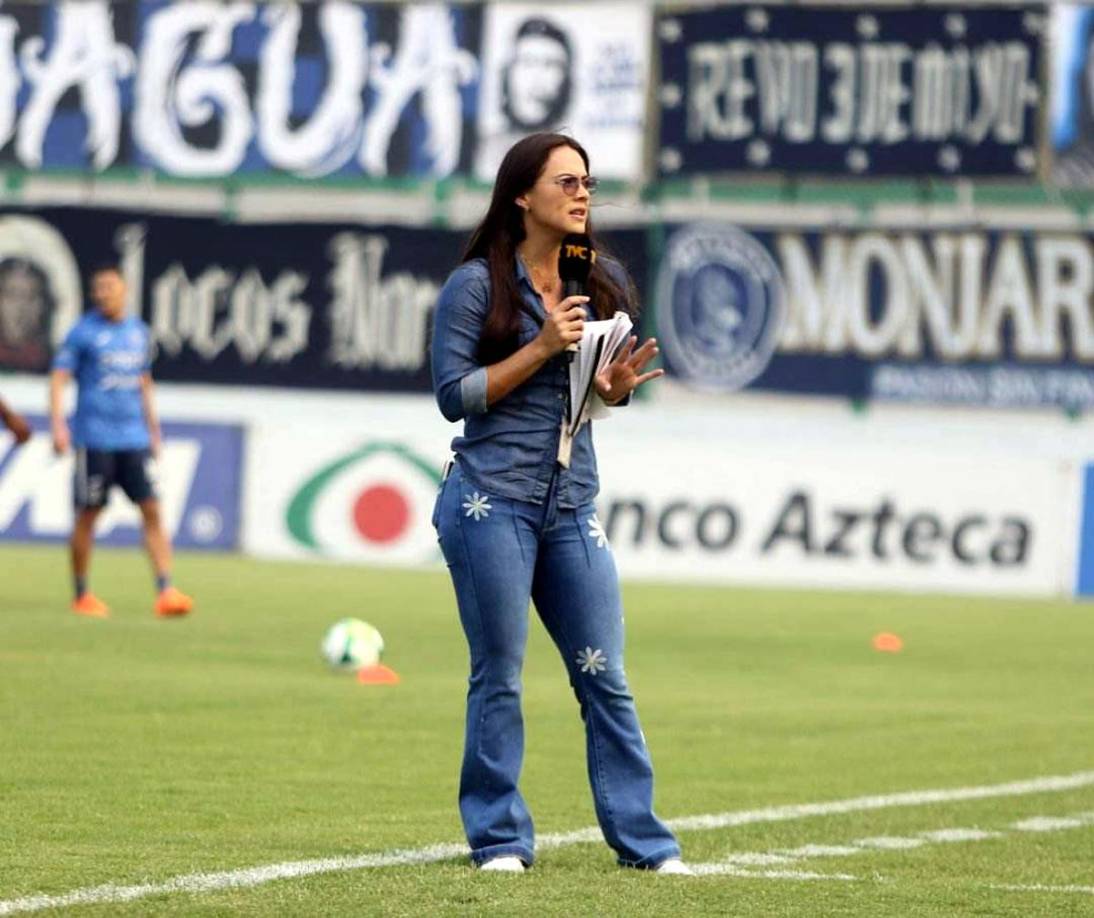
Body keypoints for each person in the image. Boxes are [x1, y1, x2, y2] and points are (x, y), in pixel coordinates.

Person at [430, 132, 688, 874]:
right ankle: (499, 837)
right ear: (522, 195)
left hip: (572, 506)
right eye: (566, 182)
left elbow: (595, 392)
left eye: (588, 183)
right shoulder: (476, 286)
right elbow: (455, 397)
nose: (582, 194)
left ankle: (644, 842)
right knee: (500, 673)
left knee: (603, 673)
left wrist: (614, 392)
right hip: (489, 503)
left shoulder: (598, 275)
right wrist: (539, 348)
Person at [49, 261, 193, 619]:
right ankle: (82, 593)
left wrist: (154, 430)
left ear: (124, 291)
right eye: (97, 289)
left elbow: (144, 384)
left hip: (134, 439)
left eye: (109, 288)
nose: (102, 295)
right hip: (95, 440)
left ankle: (166, 589)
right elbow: (58, 379)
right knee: (89, 514)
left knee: (153, 510)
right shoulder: (82, 333)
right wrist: (58, 426)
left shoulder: (138, 333)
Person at [500, 18, 573, 132]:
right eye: (527, 62)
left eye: (550, 65)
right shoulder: (484, 146)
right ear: (506, 73)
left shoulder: (574, 145)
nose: (537, 79)